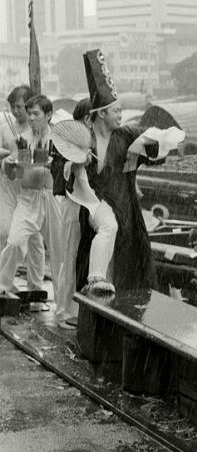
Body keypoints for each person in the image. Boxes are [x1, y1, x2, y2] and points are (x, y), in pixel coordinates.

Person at [72, 50, 167, 294]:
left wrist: (148, 144)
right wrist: (76, 162)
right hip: (94, 210)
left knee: (126, 271)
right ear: (101, 113)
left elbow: (157, 147)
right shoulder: (82, 140)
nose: (120, 115)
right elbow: (65, 178)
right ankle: (95, 283)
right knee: (105, 233)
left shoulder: (126, 135)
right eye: (116, 111)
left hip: (126, 211)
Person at [0, 95, 62, 305]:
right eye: (30, 114)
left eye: (36, 114)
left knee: (58, 253)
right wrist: (10, 166)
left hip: (52, 198)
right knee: (15, 242)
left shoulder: (58, 139)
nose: (32, 118)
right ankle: (2, 286)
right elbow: (14, 175)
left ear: (49, 115)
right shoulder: (22, 139)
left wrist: (53, 164)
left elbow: (65, 169)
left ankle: (63, 304)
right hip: (27, 198)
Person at [0, 85, 45, 290]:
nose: (16, 111)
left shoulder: (36, 130)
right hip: (8, 185)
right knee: (8, 232)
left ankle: (35, 285)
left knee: (34, 239)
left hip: (29, 187)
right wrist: (7, 160)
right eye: (13, 107)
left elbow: (41, 161)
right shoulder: (4, 126)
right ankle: (5, 282)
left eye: (20, 107)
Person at [52, 98, 91, 329]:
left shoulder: (95, 141)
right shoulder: (67, 142)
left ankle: (80, 310)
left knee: (84, 258)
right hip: (73, 205)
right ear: (87, 119)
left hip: (88, 207)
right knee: (70, 256)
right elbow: (59, 172)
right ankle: (63, 310)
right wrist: (76, 162)